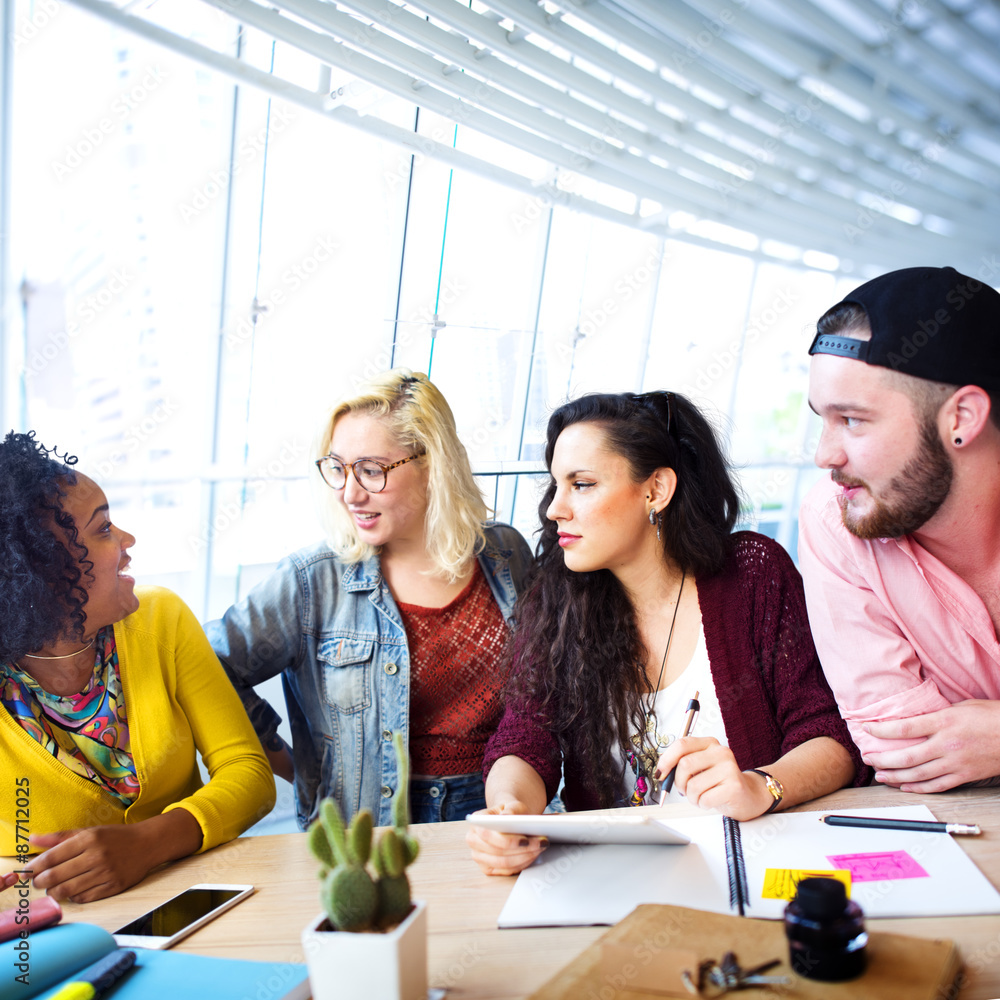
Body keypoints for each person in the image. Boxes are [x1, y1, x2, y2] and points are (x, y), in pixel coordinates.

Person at [467, 391, 865, 876]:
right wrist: (509, 811)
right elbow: (525, 738)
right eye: (556, 486)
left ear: (655, 490)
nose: (555, 509)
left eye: (583, 485)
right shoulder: (557, 597)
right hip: (610, 876)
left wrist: (761, 785)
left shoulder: (753, 574)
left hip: (750, 867)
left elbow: (832, 734)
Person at [205, 369, 532, 829]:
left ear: (433, 464)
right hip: (370, 830)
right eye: (338, 468)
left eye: (372, 471)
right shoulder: (311, 581)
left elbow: (541, 698)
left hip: (495, 812)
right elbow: (208, 663)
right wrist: (299, 767)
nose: (349, 493)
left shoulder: (506, 555)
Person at [0, 432, 275, 902]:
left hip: (190, 899)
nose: (128, 541)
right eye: (103, 529)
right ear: (42, 569)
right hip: (52, 925)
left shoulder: (160, 619)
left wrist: (148, 844)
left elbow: (248, 773)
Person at [799, 265, 1000, 793]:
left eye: (853, 420)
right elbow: (903, 752)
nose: (825, 455)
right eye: (822, 418)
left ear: (962, 418)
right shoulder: (835, 518)